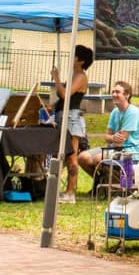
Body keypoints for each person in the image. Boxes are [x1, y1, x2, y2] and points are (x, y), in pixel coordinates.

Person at [49, 44, 93, 203]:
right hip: (64, 115)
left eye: (74, 55)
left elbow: (65, 94)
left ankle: (70, 193)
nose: (70, 57)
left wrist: (56, 78)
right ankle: (63, 190)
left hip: (72, 119)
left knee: (71, 156)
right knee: (63, 154)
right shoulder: (75, 74)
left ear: (80, 60)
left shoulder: (80, 76)